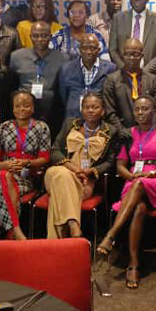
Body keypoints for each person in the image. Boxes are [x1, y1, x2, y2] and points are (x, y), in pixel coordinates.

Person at [97, 96, 156, 289]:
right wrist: (131, 176)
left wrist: (150, 174)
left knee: (140, 184)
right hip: (134, 181)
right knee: (139, 208)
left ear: (154, 111)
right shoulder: (127, 134)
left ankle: (111, 235)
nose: (141, 112)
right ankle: (134, 264)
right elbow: (121, 166)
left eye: (145, 108)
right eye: (137, 109)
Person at [43, 93, 120, 239]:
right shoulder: (70, 124)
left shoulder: (111, 131)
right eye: (86, 107)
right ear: (81, 109)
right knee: (61, 173)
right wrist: (74, 168)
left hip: (84, 179)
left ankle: (59, 241)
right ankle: (73, 224)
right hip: (62, 170)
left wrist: (91, 171)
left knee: (58, 189)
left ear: (103, 110)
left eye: (95, 107)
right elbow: (54, 151)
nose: (90, 110)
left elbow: (110, 162)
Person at [0, 91, 51, 240]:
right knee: (3, 176)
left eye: (26, 106)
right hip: (3, 172)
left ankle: (7, 232)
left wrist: (27, 163)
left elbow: (45, 158)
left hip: (27, 178)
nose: (22, 109)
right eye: (18, 106)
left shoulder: (42, 127)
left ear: (33, 108)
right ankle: (15, 229)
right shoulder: (3, 127)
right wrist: (4, 165)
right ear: (13, 109)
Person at [10, 21, 68, 135]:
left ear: (50, 37)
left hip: (52, 112)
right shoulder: (17, 57)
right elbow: (12, 85)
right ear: (30, 36)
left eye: (44, 36)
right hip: (23, 112)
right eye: (36, 36)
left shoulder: (62, 58)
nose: (40, 39)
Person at [102, 38, 156, 131]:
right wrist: (124, 133)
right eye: (128, 54)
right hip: (122, 132)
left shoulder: (152, 80)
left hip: (148, 132)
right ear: (123, 55)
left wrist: (148, 130)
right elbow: (110, 112)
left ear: (142, 55)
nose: (131, 58)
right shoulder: (112, 80)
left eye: (136, 54)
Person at [108, 0, 156, 74]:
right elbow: (112, 50)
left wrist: (144, 73)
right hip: (123, 74)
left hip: (149, 74)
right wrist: (125, 70)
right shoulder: (118, 19)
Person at [58, 33, 117, 118]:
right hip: (72, 118)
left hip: (99, 119)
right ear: (79, 49)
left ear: (98, 50)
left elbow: (111, 98)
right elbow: (63, 98)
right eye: (85, 48)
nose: (89, 52)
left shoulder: (110, 68)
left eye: (92, 48)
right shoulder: (66, 69)